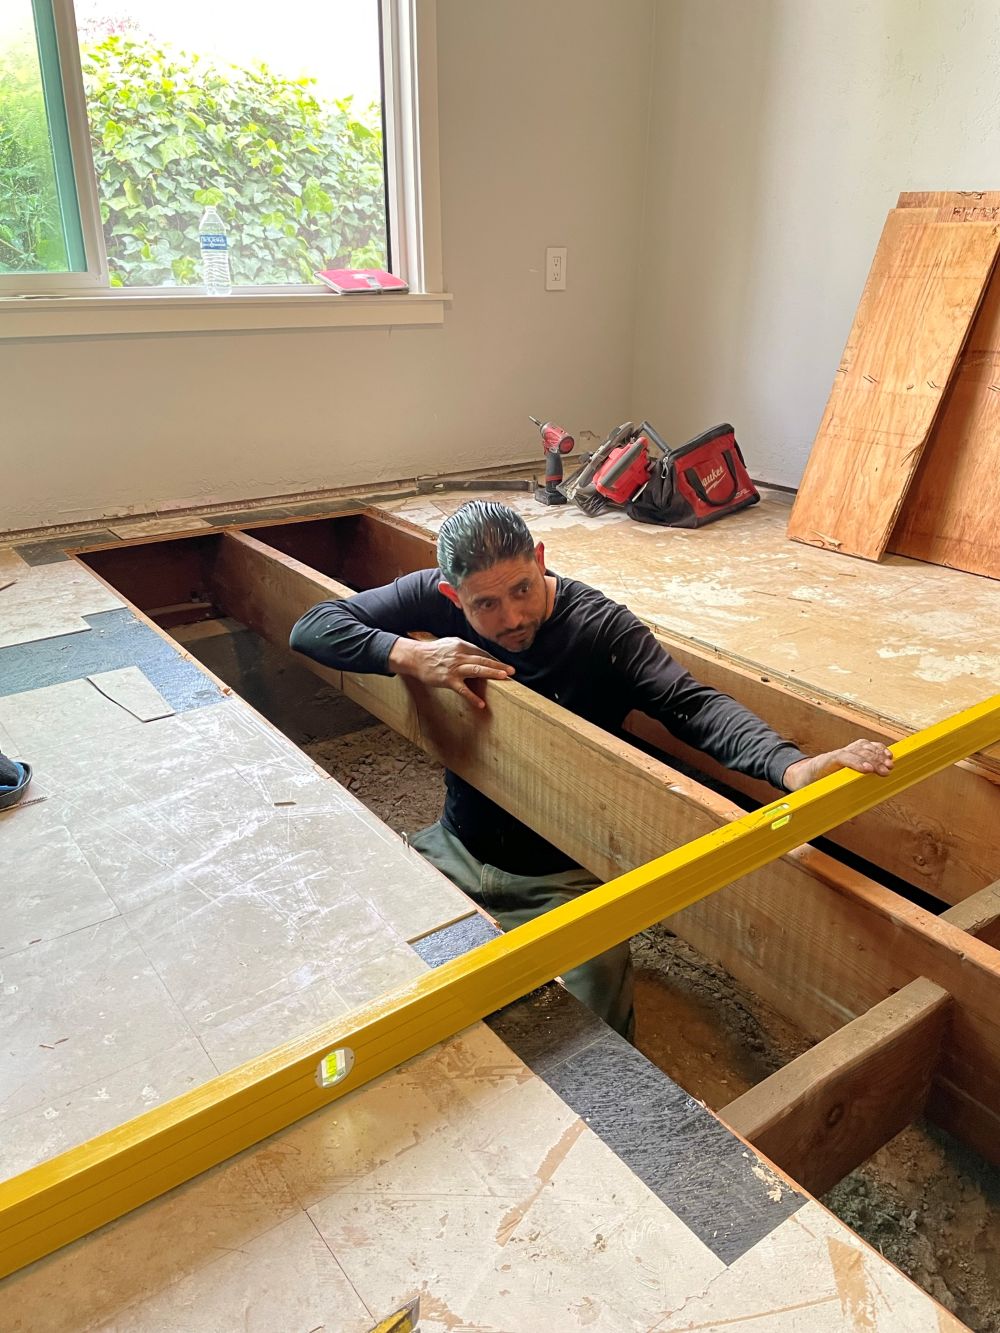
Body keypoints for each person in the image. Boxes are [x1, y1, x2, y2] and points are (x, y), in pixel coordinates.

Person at [289, 500, 893, 1039]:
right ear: (452, 599)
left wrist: (788, 767)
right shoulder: (435, 597)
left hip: (565, 879)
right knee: (367, 981)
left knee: (583, 1038)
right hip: (455, 846)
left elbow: (690, 703)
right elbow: (311, 626)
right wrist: (410, 654)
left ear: (542, 560)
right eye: (486, 606)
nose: (511, 618)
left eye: (523, 589)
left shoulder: (601, 629)